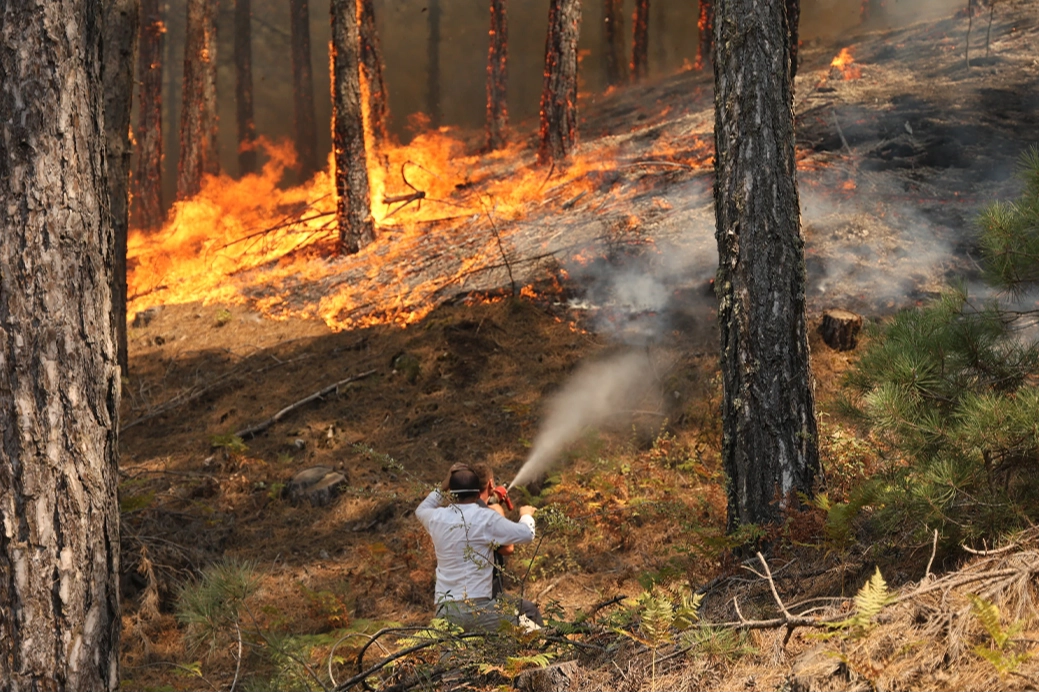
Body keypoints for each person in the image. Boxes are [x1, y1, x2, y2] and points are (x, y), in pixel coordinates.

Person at [415, 462, 543, 632]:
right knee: (534, 633)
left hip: (445, 610)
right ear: (479, 489)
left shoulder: (437, 517)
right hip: (481, 609)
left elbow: (422, 508)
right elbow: (527, 534)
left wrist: (444, 484)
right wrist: (526, 515)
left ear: (452, 491)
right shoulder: (486, 518)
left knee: (451, 656)